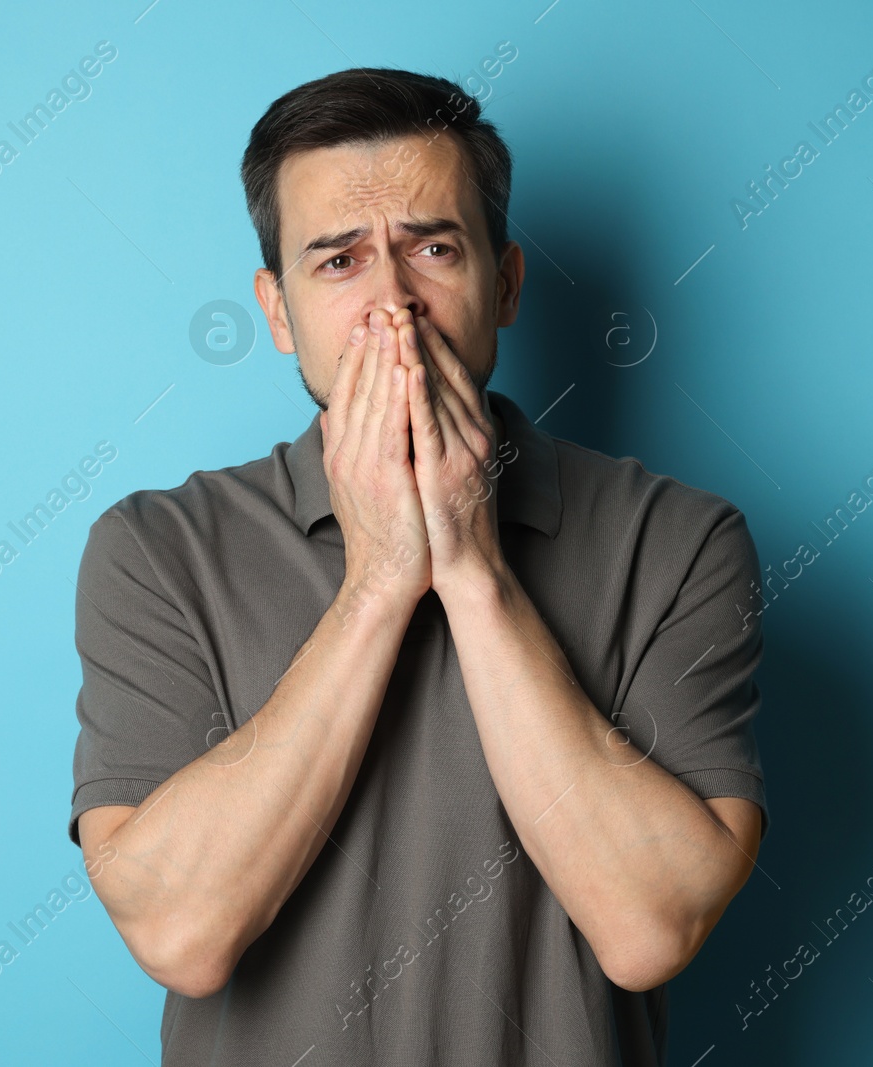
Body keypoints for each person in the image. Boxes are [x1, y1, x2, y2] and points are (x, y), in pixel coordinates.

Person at [67, 66, 769, 1066]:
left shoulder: (679, 539)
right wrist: (380, 581)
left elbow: (650, 927)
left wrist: (471, 569)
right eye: (338, 260)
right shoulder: (157, 550)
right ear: (277, 310)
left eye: (431, 248)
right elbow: (181, 933)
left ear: (507, 281)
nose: (393, 304)